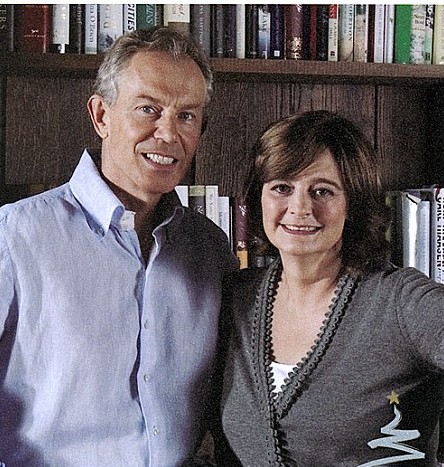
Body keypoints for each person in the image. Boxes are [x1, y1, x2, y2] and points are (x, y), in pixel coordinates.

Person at [0, 27, 237, 466]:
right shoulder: (15, 235)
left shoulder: (210, 249)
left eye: (186, 116)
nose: (168, 133)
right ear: (101, 116)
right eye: (148, 109)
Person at [214, 110, 444, 466]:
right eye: (281, 188)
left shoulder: (400, 301)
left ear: (353, 203)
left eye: (322, 191)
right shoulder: (235, 298)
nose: (299, 207)